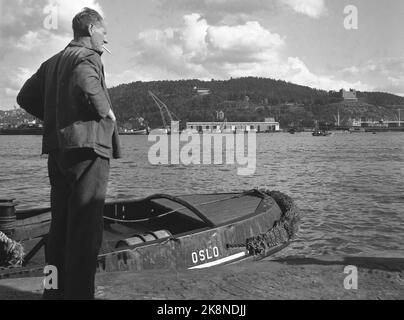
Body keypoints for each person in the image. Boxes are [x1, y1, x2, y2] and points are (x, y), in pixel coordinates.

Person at [17, 7, 121, 300]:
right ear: (90, 30)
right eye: (104, 32)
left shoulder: (51, 62)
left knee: (60, 227)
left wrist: (56, 117)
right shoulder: (88, 56)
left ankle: (53, 293)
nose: (106, 38)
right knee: (86, 229)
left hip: (59, 150)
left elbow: (24, 96)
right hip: (89, 149)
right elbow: (88, 84)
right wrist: (107, 112)